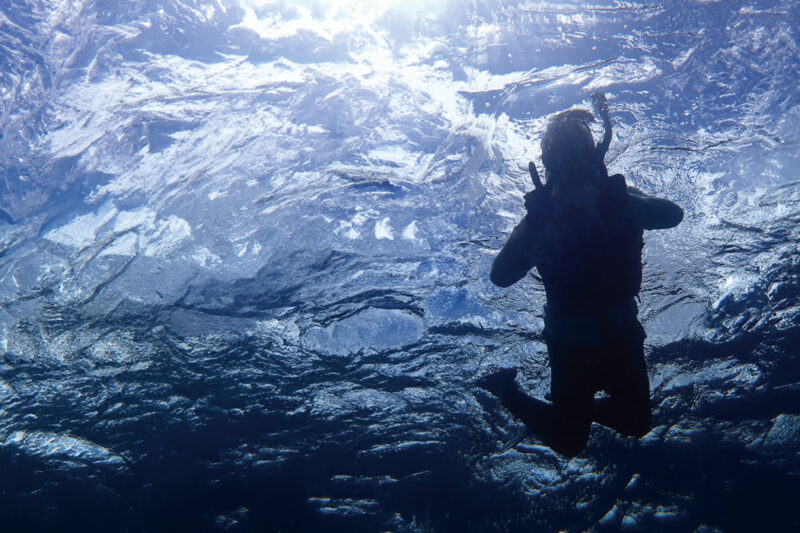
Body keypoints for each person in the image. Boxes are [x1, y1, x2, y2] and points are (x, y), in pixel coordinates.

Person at [478, 94, 683, 457]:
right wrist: (533, 225)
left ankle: (565, 415)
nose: (573, 162)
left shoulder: (621, 200)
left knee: (636, 423)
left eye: (578, 151)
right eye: (564, 154)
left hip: (622, 335)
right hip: (571, 346)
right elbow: (500, 276)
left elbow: (673, 215)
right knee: (570, 444)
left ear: (592, 155)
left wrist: (628, 203)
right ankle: (507, 391)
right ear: (551, 164)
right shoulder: (541, 221)